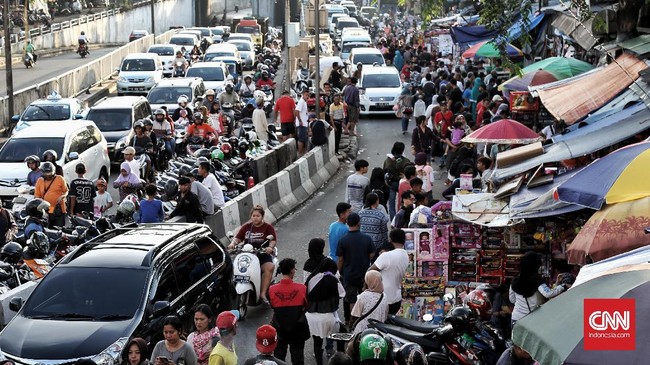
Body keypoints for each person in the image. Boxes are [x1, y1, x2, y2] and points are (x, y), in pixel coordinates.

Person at [228, 205, 277, 303]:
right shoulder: (246, 227)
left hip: (262, 253)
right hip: (247, 254)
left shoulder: (268, 227)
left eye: (258, 216)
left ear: (262, 217)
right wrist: (233, 244)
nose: (255, 218)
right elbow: (238, 238)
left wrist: (270, 247)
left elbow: (273, 240)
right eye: (253, 215)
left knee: (269, 268)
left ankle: (262, 293)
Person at [509, 252, 568, 328]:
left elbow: (512, 300)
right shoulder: (537, 279)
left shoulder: (515, 281)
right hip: (532, 320)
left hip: (516, 319)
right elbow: (548, 293)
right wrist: (563, 286)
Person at [336, 213, 375, 327]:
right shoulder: (366, 238)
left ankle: (352, 322)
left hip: (349, 274)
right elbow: (372, 254)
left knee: (351, 299)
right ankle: (364, 321)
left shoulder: (343, 240)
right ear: (359, 223)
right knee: (364, 297)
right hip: (364, 274)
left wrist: (338, 271)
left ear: (347, 223)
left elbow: (341, 259)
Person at [269, 258, 309, 365]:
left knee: (279, 358)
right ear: (292, 270)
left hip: (279, 328)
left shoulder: (272, 289)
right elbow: (306, 306)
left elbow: (273, 305)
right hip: (297, 329)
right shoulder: (302, 288)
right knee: (298, 359)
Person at [305, 257, 345, 365]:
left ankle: (319, 363)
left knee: (317, 341)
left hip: (311, 317)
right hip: (327, 317)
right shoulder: (332, 279)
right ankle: (340, 358)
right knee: (342, 332)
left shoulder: (311, 278)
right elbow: (342, 294)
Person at [369, 229, 409, 314]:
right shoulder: (406, 255)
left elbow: (370, 271)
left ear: (390, 239)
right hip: (397, 298)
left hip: (383, 298)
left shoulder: (386, 256)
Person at [349, 271, 389, 335]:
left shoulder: (363, 296)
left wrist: (351, 327)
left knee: (350, 345)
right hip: (378, 331)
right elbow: (385, 315)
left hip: (362, 331)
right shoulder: (384, 296)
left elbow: (355, 315)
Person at [34, 162, 68, 228]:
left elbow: (66, 191)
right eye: (46, 174)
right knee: (48, 229)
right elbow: (37, 196)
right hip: (46, 211)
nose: (48, 176)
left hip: (59, 210)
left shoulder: (60, 178)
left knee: (59, 230)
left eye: (50, 174)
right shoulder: (40, 181)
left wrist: (62, 196)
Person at [383, 142, 411, 219]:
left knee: (391, 204)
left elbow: (384, 171)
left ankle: (393, 221)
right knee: (403, 202)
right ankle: (402, 219)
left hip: (391, 184)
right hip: (402, 184)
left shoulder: (388, 160)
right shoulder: (406, 160)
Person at [295, 90, 310, 156]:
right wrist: (300, 121)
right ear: (303, 95)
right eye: (306, 95)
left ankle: (302, 153)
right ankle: (299, 153)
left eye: (308, 95)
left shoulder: (304, 102)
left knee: (304, 139)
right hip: (301, 124)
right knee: (301, 139)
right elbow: (296, 111)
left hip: (304, 123)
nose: (307, 97)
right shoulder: (301, 102)